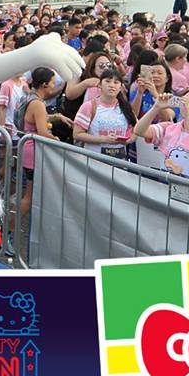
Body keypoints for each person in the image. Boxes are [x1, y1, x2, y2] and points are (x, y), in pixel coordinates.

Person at [17, 68, 71, 251]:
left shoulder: (30, 97)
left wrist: (57, 116)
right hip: (33, 152)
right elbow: (42, 132)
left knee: (31, 193)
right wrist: (58, 141)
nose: (55, 85)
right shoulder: (38, 103)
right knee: (30, 195)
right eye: (53, 82)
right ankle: (7, 230)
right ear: (45, 84)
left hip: (29, 150)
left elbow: (36, 119)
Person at [133, 90, 189, 181]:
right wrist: (156, 107)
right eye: (186, 102)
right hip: (164, 185)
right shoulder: (168, 128)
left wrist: (188, 117)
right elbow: (139, 131)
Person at [72, 69, 138, 160]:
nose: (112, 85)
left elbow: (137, 129)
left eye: (116, 82)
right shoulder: (89, 106)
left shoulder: (126, 107)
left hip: (119, 162)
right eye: (107, 81)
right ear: (99, 85)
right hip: (93, 161)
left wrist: (129, 140)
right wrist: (103, 139)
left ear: (121, 87)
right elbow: (77, 134)